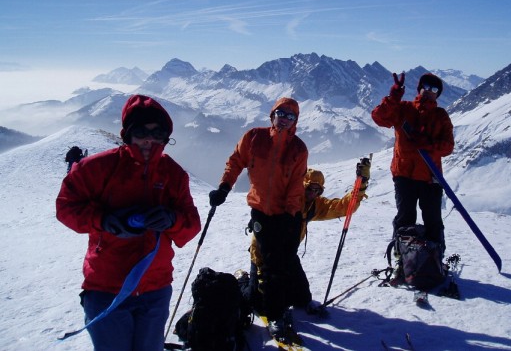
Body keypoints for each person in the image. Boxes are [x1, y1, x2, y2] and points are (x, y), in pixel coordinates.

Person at [56, 94, 201, 351]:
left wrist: (171, 220)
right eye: (142, 131)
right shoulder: (97, 168)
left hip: (155, 288)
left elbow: (191, 226)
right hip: (106, 288)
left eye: (158, 133)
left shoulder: (174, 174)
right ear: (128, 133)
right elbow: (66, 207)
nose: (149, 139)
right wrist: (103, 220)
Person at [208, 97, 308, 340]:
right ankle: (276, 314)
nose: (284, 119)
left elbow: (296, 184)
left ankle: (273, 297)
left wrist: (291, 214)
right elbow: (235, 162)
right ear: (272, 114)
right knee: (274, 265)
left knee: (283, 264)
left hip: (287, 215)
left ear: (295, 121)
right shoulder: (254, 137)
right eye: (281, 113)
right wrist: (224, 187)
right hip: (261, 212)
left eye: (290, 116)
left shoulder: (298, 149)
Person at [238, 161, 371, 317]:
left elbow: (343, 207)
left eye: (318, 190)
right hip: (265, 255)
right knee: (259, 303)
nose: (313, 193)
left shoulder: (315, 205)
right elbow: (259, 237)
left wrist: (360, 185)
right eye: (310, 188)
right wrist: (260, 265)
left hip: (288, 255)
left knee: (302, 299)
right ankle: (242, 281)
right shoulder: (282, 201)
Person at [371, 72, 454, 252]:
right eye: (425, 86)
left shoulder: (441, 116)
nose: (428, 91)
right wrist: (393, 97)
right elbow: (379, 118)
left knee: (433, 219)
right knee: (405, 218)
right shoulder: (403, 109)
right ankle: (402, 257)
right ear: (419, 88)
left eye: (434, 89)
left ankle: (435, 258)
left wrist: (429, 144)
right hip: (404, 175)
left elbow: (448, 147)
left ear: (438, 93)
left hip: (430, 177)